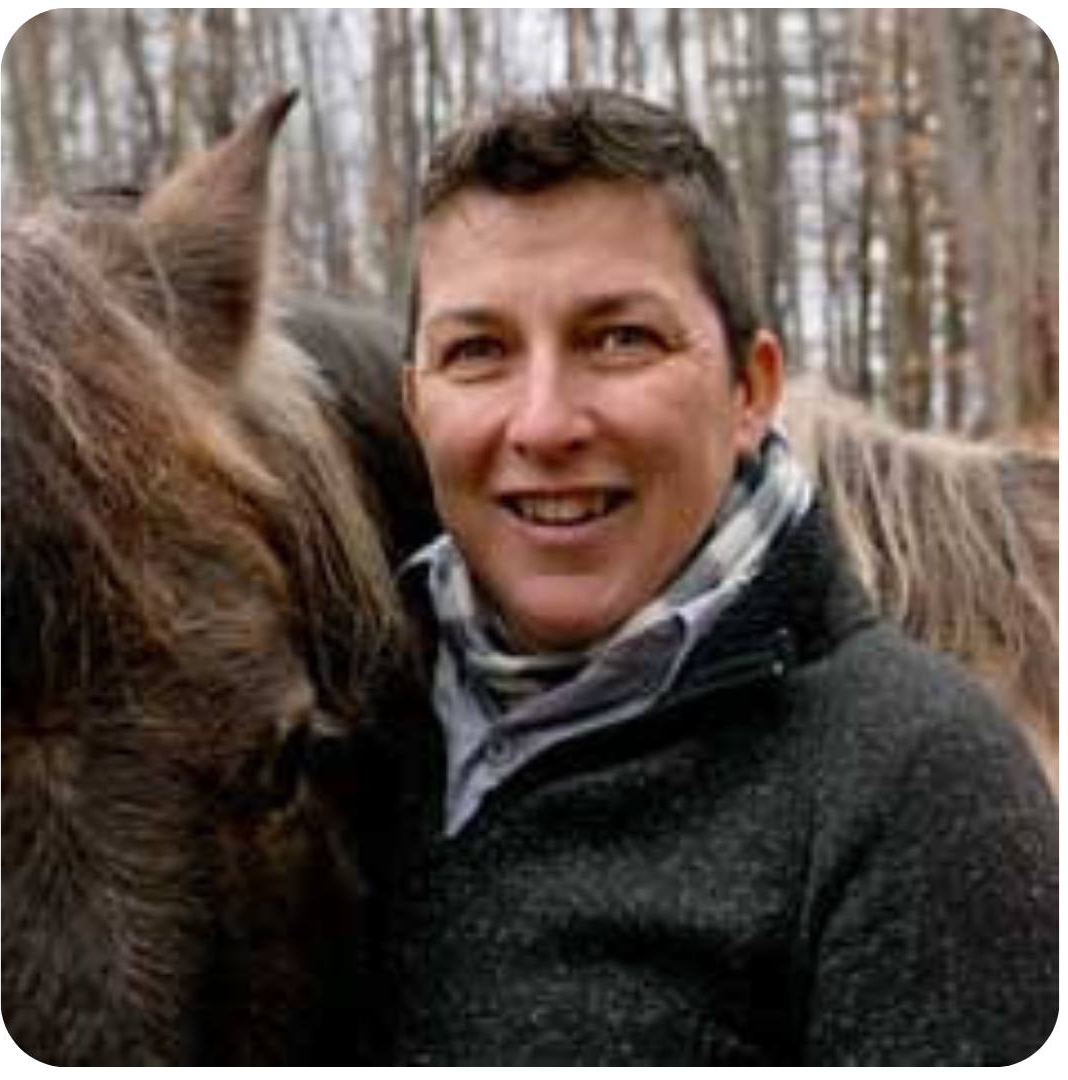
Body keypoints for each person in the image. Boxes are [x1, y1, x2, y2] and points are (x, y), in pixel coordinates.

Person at [366, 88, 1058, 1066]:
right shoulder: (327, 729)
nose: (544, 423)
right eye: (477, 351)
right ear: (415, 403)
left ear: (750, 391)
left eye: (621, 338)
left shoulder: (914, 786)